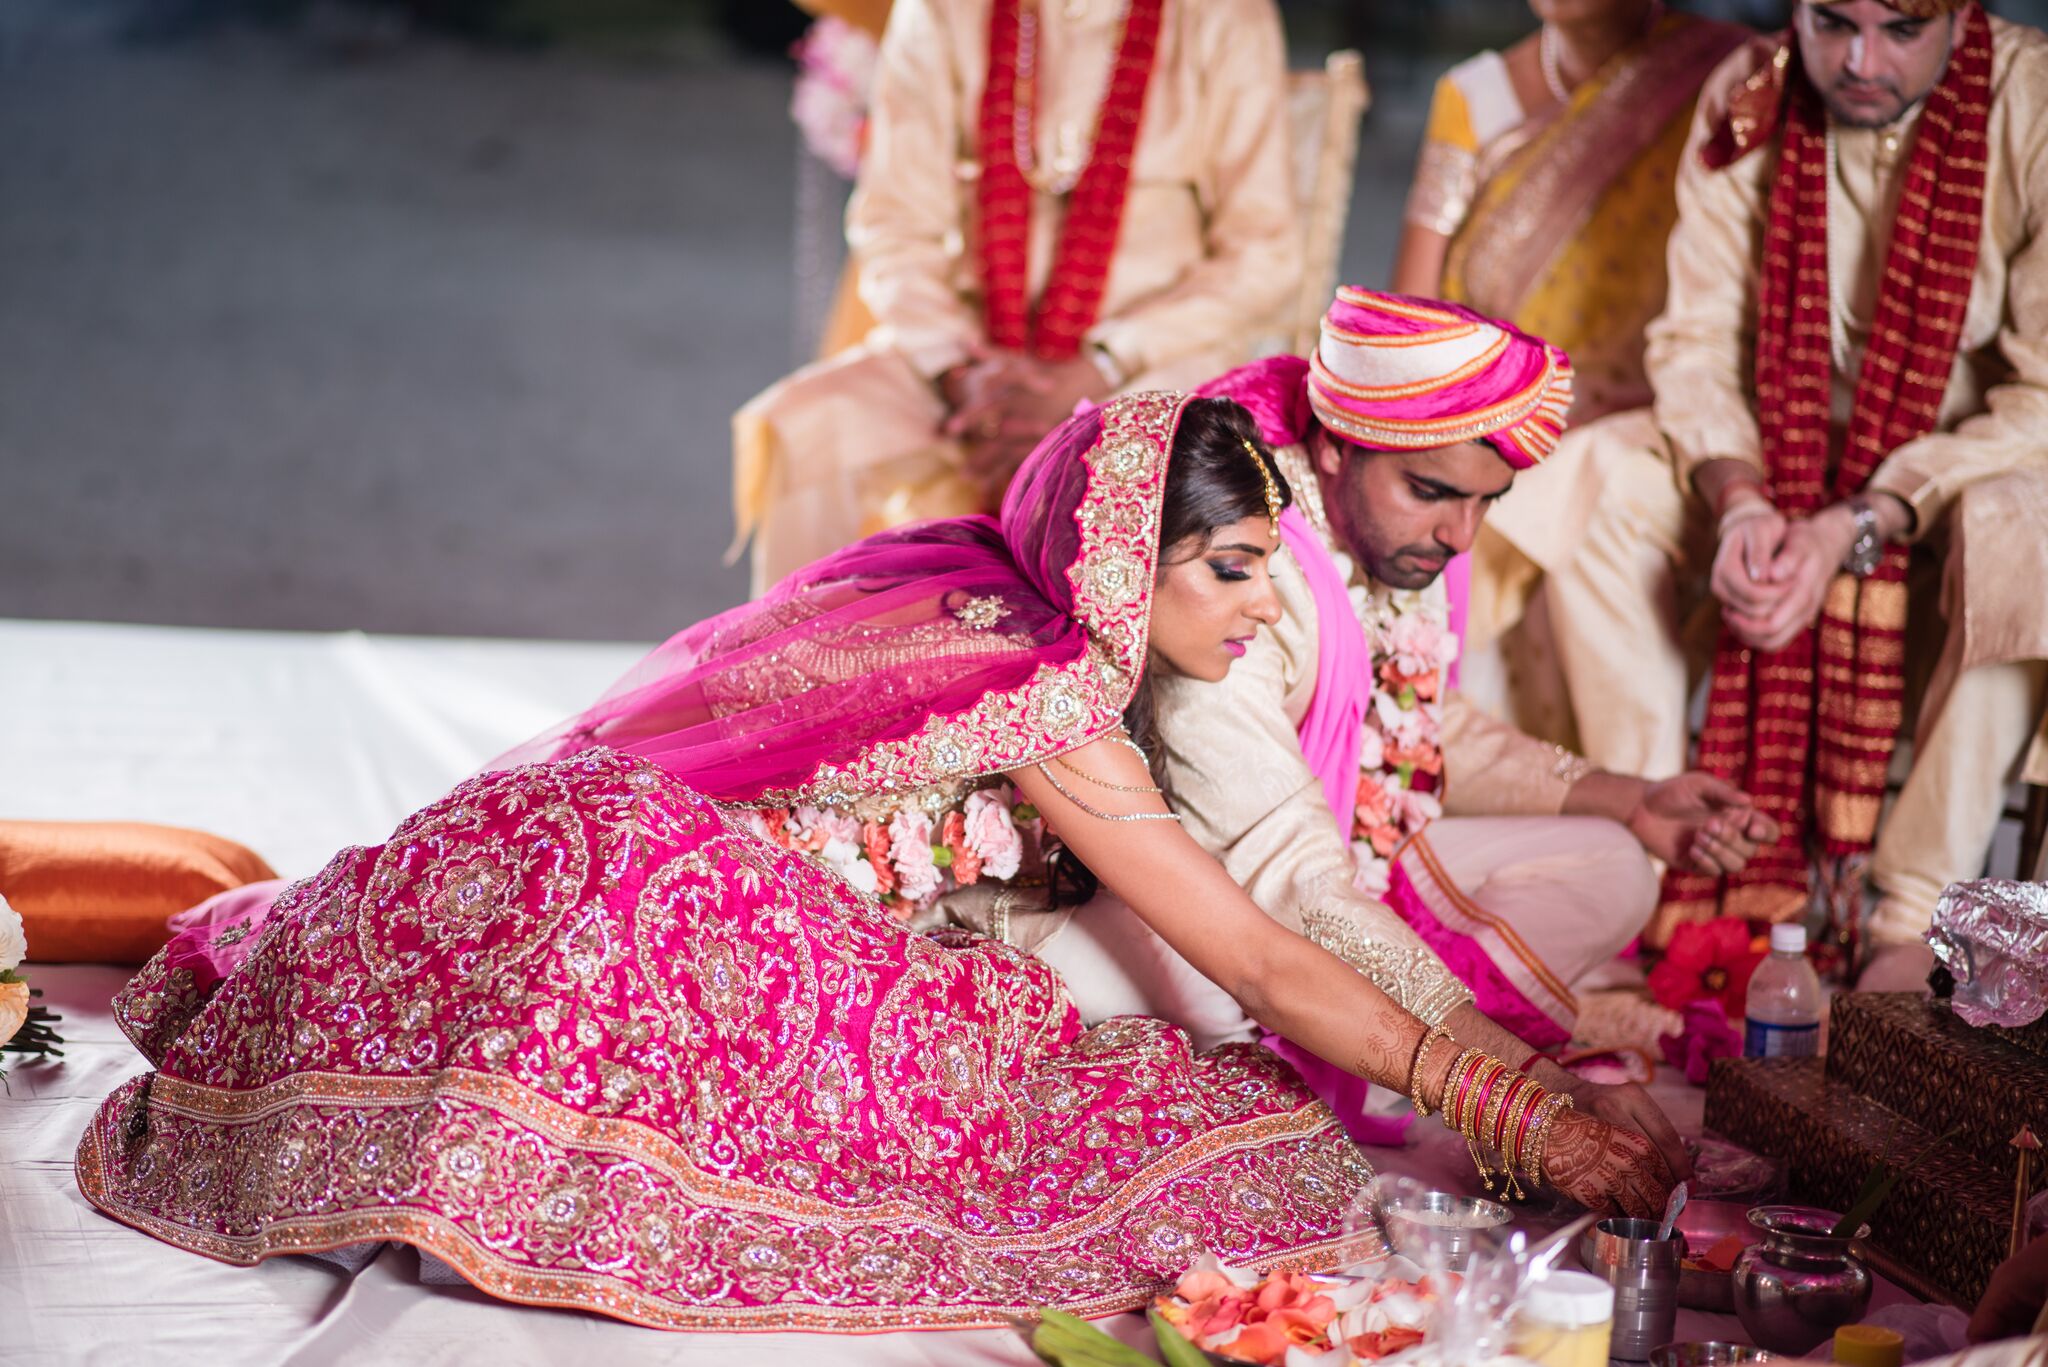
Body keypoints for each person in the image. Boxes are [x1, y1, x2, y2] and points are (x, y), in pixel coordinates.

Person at [76, 393, 1674, 1332]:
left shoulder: (956, 579)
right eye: (1236, 570)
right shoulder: (1057, 693)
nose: (1267, 608)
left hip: (546, 835)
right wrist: (1520, 1105)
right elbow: (1255, 958)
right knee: (1177, 1118)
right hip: (638, 888)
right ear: (1131, 559)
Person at [1020, 290, 1774, 1159]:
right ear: (1337, 445)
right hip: (1209, 897)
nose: (1461, 534)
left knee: (1615, 862)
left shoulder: (1401, 543)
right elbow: (1288, 891)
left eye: (1488, 502)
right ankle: (1370, 1039)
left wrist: (1630, 799)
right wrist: (1524, 1090)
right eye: (1433, 492)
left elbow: (1414, 719)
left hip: (1327, 864)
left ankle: (1382, 1032)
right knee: (1216, 988)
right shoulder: (1232, 570)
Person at [1533, 0, 2048, 964]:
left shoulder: (2034, 104)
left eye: (1902, 28)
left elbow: (2044, 394)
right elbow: (1695, 343)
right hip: (1779, 454)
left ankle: (1909, 915)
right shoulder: (1751, 93)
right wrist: (1743, 504)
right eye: (1831, 23)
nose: (1860, 61)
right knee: (1597, 480)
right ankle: (1655, 852)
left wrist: (1861, 518)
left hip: (1957, 474)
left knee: (2023, 531)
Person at [730, 0, 1303, 595]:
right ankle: (796, 674)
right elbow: (893, 226)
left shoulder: (1224, 16)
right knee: (802, 427)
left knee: (1148, 477)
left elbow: (1265, 254)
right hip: (970, 364)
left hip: (1148, 362)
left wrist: (1099, 366)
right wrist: (961, 373)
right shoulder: (940, 11)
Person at [1388, 0, 1749, 743]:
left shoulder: (1726, 78)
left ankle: (1626, 813)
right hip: (1490, 416)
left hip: (1666, 422)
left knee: (1568, 497)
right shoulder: (1476, 96)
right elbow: (1411, 324)